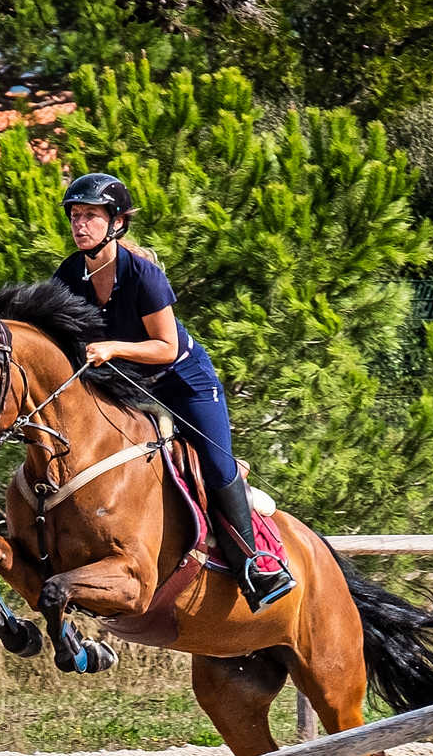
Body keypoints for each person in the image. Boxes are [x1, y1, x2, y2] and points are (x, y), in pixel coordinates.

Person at [51, 171, 295, 611]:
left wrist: (113, 346)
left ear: (116, 222)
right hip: (124, 384)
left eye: (90, 215)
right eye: (75, 215)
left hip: (183, 383)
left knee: (217, 466)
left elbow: (166, 347)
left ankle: (255, 563)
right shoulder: (70, 274)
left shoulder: (143, 275)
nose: (79, 224)